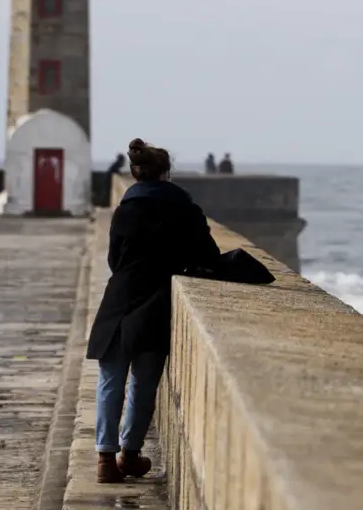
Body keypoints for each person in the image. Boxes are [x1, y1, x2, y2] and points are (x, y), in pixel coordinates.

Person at [85, 138, 221, 483]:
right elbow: (209, 255)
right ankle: (130, 455)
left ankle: (104, 460)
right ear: (166, 173)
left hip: (119, 299)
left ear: (136, 174)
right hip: (156, 299)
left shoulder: (125, 209)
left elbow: (114, 259)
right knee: (143, 382)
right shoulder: (185, 210)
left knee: (110, 380)